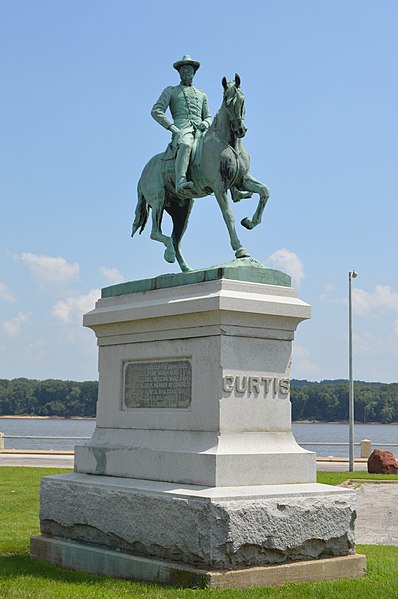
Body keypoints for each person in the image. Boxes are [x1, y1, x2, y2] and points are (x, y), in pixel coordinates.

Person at [151, 55, 212, 194]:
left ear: (194, 72)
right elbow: (156, 111)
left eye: (189, 69)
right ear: (179, 73)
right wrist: (173, 128)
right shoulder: (171, 91)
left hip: (201, 130)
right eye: (183, 69)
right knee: (186, 144)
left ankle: (233, 187)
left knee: (220, 146)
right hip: (182, 129)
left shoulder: (202, 94)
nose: (186, 72)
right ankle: (180, 180)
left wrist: (205, 123)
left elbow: (208, 116)